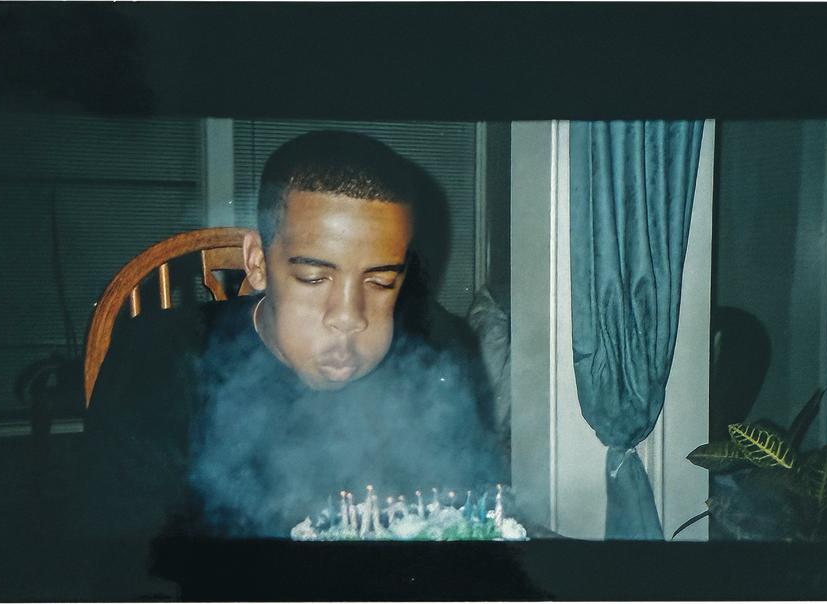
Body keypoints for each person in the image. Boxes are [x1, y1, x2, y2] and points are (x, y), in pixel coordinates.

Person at [71, 130, 503, 599]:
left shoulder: (438, 350)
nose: (349, 318)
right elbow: (124, 570)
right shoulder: (161, 358)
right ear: (257, 263)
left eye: (380, 282)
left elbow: (467, 536)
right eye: (315, 277)